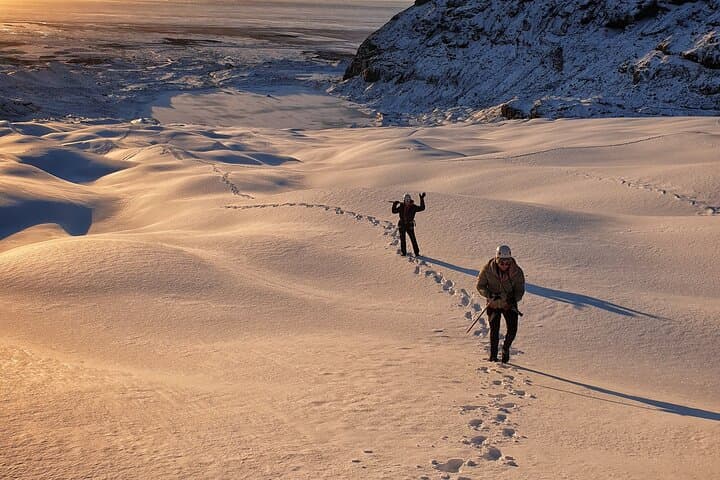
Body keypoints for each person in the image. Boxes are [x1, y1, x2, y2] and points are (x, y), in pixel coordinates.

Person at [476, 245, 525, 363]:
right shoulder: (487, 269)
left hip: (509, 304)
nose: (504, 265)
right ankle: (493, 356)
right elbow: (480, 286)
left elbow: (520, 290)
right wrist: (488, 294)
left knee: (512, 330)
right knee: (494, 330)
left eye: (507, 262)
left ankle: (506, 348)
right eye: (502, 262)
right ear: (497, 260)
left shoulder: (517, 272)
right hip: (493, 304)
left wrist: (513, 299)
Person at [392, 192, 426, 256]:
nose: (407, 200)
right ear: (404, 200)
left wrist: (422, 199)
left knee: (413, 239)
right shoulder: (401, 206)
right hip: (402, 225)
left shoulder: (414, 207)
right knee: (403, 239)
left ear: (410, 199)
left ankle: (417, 253)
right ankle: (403, 252)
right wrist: (394, 204)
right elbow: (394, 211)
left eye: (408, 199)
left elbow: (422, 208)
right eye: (406, 199)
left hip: (410, 225)